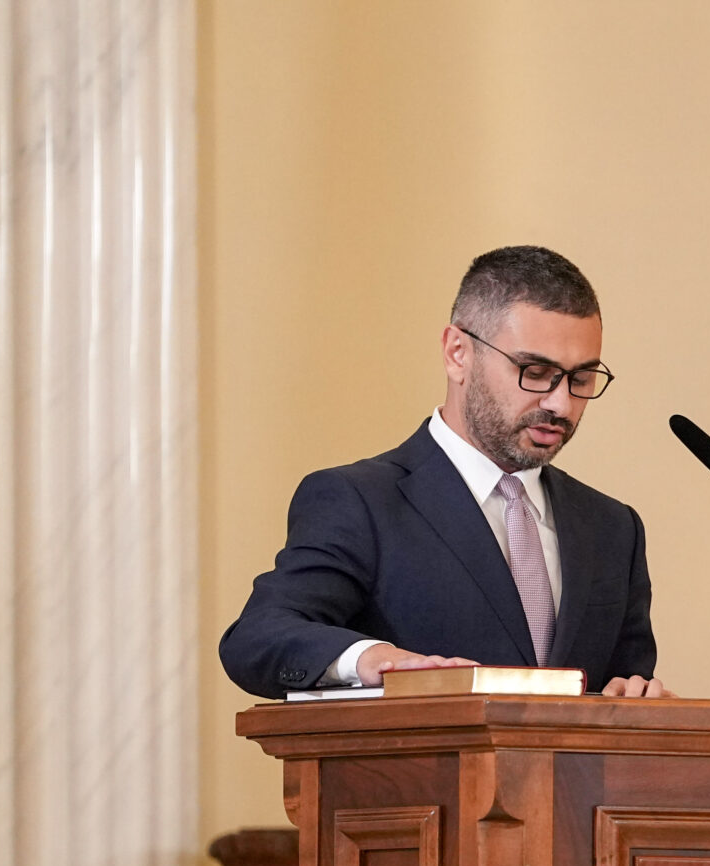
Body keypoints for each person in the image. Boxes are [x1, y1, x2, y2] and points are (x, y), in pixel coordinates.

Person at [219, 245, 668, 700]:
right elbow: (258, 637)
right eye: (535, 372)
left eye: (581, 379)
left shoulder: (614, 528)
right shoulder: (360, 501)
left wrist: (640, 701)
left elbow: (626, 683)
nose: (561, 404)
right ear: (458, 354)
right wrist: (374, 660)